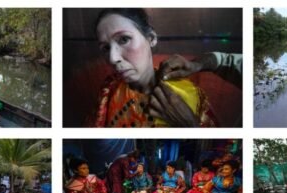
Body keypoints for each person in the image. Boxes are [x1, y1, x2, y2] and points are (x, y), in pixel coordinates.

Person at [92, 9, 232, 127]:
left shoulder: (188, 95)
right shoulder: (108, 90)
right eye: (105, 48)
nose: (113, 58)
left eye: (124, 39)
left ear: (151, 38)